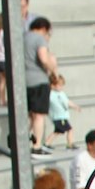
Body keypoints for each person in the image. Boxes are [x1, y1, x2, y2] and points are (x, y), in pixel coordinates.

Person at [23, 18, 58, 154]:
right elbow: (43, 58)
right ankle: (37, 146)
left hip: (24, 81)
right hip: (39, 80)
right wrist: (53, 69)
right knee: (39, 115)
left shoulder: (22, 38)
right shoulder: (39, 39)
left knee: (31, 115)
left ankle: (23, 141)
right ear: (43, 28)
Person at [44, 73, 78, 150]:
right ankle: (70, 144)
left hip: (58, 116)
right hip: (60, 117)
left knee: (58, 131)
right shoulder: (56, 94)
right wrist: (74, 106)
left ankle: (47, 143)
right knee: (69, 129)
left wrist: (74, 106)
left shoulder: (55, 94)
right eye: (59, 85)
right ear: (52, 85)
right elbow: (66, 102)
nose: (61, 87)